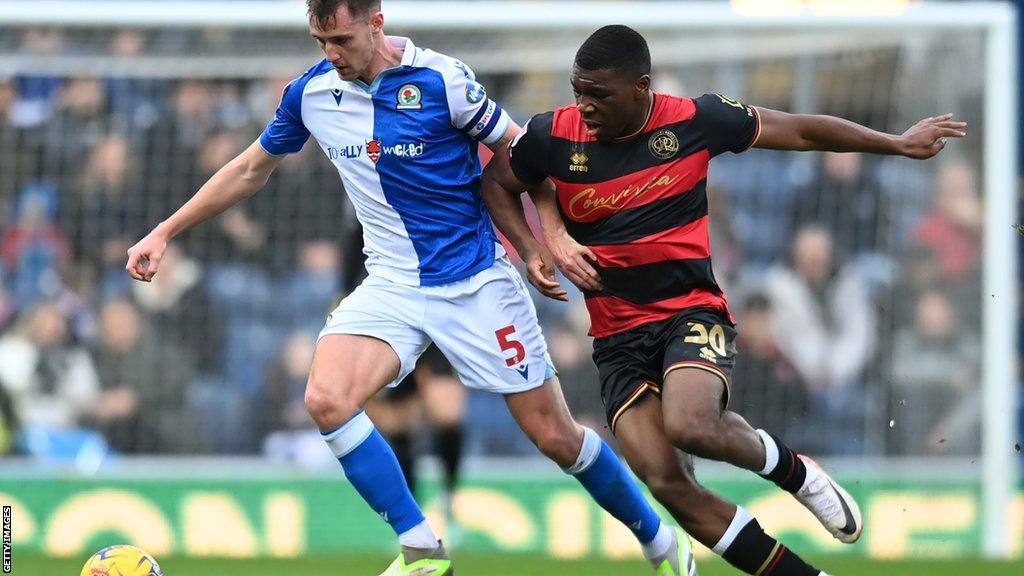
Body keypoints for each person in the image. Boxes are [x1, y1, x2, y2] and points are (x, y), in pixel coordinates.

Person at [125, 5, 693, 576]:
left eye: (340, 39)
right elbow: (251, 169)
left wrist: (548, 238)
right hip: (392, 284)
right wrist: (164, 230)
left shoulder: (444, 79)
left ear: (375, 23)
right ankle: (421, 547)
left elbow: (526, 155)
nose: (330, 53)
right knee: (326, 398)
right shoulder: (312, 94)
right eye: (320, 40)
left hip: (475, 283)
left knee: (556, 437)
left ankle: (660, 542)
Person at [481, 24, 965, 576]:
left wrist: (896, 143)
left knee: (691, 425)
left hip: (688, 310)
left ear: (641, 88)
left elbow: (802, 131)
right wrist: (539, 246)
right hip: (614, 335)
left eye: (599, 94)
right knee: (667, 482)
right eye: (577, 90)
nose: (584, 105)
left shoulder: (695, 119)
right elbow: (497, 184)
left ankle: (797, 474)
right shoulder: (553, 135)